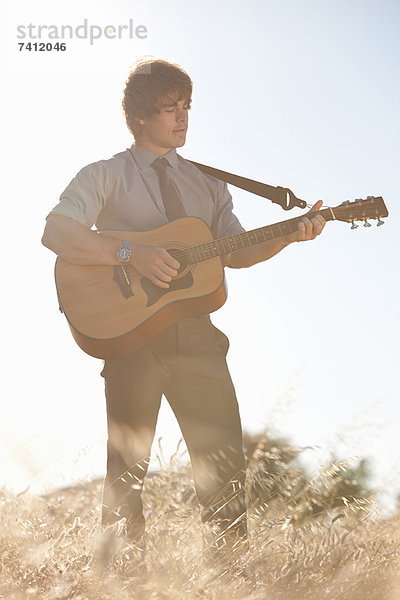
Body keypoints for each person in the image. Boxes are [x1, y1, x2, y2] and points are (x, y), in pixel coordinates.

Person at [42, 58, 325, 561]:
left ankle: (232, 578)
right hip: (131, 341)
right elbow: (58, 232)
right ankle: (121, 580)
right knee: (126, 472)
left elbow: (235, 252)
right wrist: (134, 254)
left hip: (198, 339)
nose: (182, 117)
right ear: (139, 117)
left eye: (187, 106)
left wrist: (288, 235)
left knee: (224, 470)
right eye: (169, 108)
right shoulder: (104, 175)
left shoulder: (209, 185)